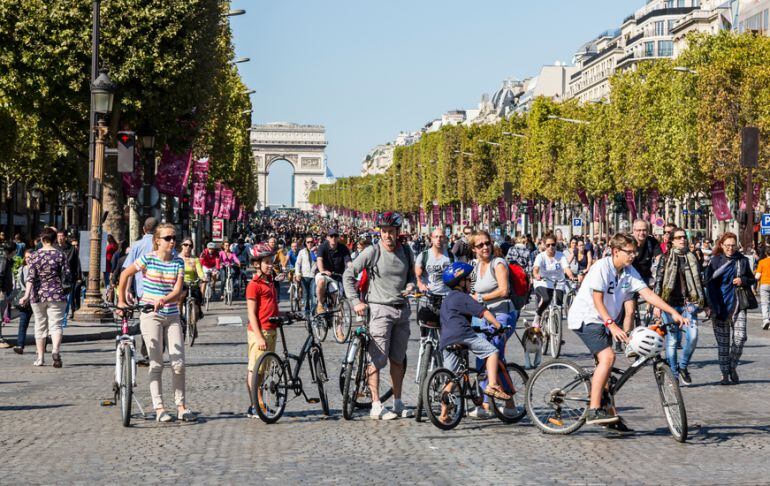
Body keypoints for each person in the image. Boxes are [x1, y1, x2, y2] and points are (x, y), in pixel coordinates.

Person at [567, 233, 688, 430]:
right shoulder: (602, 267)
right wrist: (612, 325)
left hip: (604, 320)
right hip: (587, 318)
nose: (633, 256)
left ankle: (610, 416)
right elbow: (597, 300)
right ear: (616, 251)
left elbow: (647, 294)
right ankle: (594, 408)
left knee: (606, 370)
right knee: (608, 358)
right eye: (629, 252)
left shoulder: (628, 271)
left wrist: (673, 312)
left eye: (635, 252)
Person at [117, 223, 195, 422]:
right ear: (157, 241)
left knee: (178, 363)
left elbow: (177, 291)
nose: (172, 242)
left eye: (174, 238)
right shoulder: (147, 259)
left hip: (172, 314)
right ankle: (159, 408)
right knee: (156, 363)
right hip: (150, 314)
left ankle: (181, 406)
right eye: (168, 238)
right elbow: (125, 274)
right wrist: (121, 300)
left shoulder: (178, 262)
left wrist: (165, 300)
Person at [342, 212, 415, 420]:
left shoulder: (406, 252)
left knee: (398, 359)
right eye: (384, 232)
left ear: (397, 233)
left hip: (402, 309)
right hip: (380, 310)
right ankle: (376, 405)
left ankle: (398, 403)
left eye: (391, 232)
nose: (387, 235)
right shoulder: (372, 252)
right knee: (377, 358)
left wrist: (411, 284)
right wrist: (356, 302)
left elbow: (411, 275)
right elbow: (349, 275)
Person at [437, 261, 511, 424]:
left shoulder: (447, 300)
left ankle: (443, 413)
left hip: (446, 340)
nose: (471, 283)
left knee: (452, 378)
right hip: (462, 334)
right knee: (492, 352)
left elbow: (453, 319)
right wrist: (498, 325)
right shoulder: (463, 297)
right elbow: (483, 312)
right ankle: (491, 384)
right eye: (469, 280)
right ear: (461, 282)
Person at [468, 230, 517, 419]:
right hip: (480, 316)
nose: (485, 247)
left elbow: (504, 291)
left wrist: (480, 298)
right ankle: (496, 403)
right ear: (474, 249)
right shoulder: (474, 266)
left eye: (487, 243)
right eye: (480, 245)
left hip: (501, 315)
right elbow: (470, 290)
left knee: (493, 355)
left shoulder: (498, 263)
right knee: (483, 359)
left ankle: (493, 404)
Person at [652, 228, 706, 385]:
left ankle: (683, 366)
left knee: (693, 336)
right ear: (672, 241)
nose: (683, 240)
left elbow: (700, 282)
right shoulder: (665, 258)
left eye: (684, 237)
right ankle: (674, 374)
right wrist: (656, 304)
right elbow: (659, 281)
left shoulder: (692, 257)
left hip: (688, 304)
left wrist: (706, 304)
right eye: (679, 237)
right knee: (673, 340)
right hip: (669, 304)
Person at [705, 232, 756, 385]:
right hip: (719, 306)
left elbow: (752, 278)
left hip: (738, 304)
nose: (730, 248)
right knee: (723, 344)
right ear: (721, 245)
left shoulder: (742, 261)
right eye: (727, 245)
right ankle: (724, 375)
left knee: (740, 338)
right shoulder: (714, 262)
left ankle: (732, 367)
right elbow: (707, 283)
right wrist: (708, 306)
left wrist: (743, 280)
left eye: (733, 245)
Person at [18, 228, 70, 367]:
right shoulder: (60, 255)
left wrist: (26, 295)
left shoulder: (34, 256)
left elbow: (30, 278)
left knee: (40, 326)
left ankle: (40, 358)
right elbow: (67, 274)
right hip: (57, 294)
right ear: (54, 240)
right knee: (56, 325)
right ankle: (55, 350)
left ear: (42, 239)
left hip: (38, 295)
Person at [245, 243, 280, 418]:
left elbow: (271, 306)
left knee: (262, 371)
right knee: (254, 370)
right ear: (257, 263)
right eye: (266, 262)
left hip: (271, 329)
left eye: (271, 261)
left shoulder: (270, 281)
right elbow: (251, 313)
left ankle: (256, 405)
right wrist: (258, 337)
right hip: (259, 331)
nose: (270, 265)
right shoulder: (254, 284)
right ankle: (256, 405)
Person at [620, 220, 663, 334]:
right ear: (633, 231)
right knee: (629, 310)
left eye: (644, 230)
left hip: (646, 277)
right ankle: (625, 337)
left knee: (660, 295)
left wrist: (661, 269)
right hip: (629, 278)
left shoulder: (651, 241)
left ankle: (656, 330)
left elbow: (660, 259)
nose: (641, 233)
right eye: (638, 230)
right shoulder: (628, 242)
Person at [532, 234, 575, 327]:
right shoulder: (540, 256)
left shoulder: (561, 255)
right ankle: (538, 316)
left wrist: (571, 276)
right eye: (548, 245)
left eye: (553, 244)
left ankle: (556, 334)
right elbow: (535, 268)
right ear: (544, 245)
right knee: (547, 299)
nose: (551, 247)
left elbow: (566, 268)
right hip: (543, 281)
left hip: (558, 282)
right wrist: (536, 275)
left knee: (559, 305)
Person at [415, 228, 453, 326]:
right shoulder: (424, 256)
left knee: (447, 329)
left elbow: (456, 275)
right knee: (426, 328)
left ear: (445, 238)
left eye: (441, 237)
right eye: (436, 237)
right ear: (431, 239)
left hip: (446, 297)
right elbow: (417, 276)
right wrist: (420, 285)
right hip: (428, 297)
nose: (439, 239)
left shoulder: (451, 256)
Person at [315, 228, 351, 316]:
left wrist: (352, 271)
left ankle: (338, 328)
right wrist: (323, 271)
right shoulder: (323, 247)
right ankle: (320, 304)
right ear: (327, 237)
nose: (333, 238)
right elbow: (319, 260)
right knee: (321, 281)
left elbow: (349, 262)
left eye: (335, 236)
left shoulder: (343, 247)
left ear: (338, 237)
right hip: (324, 273)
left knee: (338, 300)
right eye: (331, 236)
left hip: (337, 275)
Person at [12, 249, 34, 354]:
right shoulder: (22, 269)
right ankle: (20, 345)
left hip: (37, 299)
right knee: (23, 323)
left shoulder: (38, 269)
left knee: (41, 324)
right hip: (25, 300)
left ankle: (43, 346)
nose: (28, 259)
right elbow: (18, 285)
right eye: (26, 257)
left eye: (30, 257)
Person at [179, 238, 205, 326]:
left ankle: (194, 323)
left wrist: (203, 277)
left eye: (190, 245)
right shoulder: (177, 258)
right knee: (181, 296)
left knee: (198, 300)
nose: (187, 247)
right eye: (185, 245)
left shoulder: (195, 259)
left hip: (192, 284)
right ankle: (179, 316)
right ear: (182, 246)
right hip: (181, 284)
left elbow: (200, 272)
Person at [295, 236, 317, 316]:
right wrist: (297, 274)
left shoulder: (316, 251)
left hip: (314, 276)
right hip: (304, 276)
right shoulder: (302, 252)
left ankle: (313, 312)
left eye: (311, 242)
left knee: (313, 295)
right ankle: (307, 312)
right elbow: (297, 263)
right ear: (305, 243)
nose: (310, 243)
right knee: (306, 295)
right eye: (308, 242)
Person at [0, 243, 14, 347]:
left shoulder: (6, 260)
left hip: (4, 290)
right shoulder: (3, 260)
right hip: (2, 291)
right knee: (0, 315)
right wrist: (1, 290)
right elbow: (1, 275)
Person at [757, 250, 770, 330]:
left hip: (764, 284)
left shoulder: (762, 262)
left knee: (765, 303)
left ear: (766, 253)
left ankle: (766, 320)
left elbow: (757, 276)